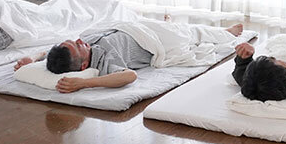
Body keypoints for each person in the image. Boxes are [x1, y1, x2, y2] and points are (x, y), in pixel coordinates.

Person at [14, 23, 245, 93]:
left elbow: (51, 52)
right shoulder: (104, 61)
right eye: (77, 47)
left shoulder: (81, 46)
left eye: (73, 41)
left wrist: (32, 58)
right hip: (155, 41)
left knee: (180, 28)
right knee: (188, 33)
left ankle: (217, 30)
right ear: (83, 65)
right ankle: (226, 33)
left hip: (137, 28)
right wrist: (84, 83)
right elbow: (129, 76)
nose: (78, 41)